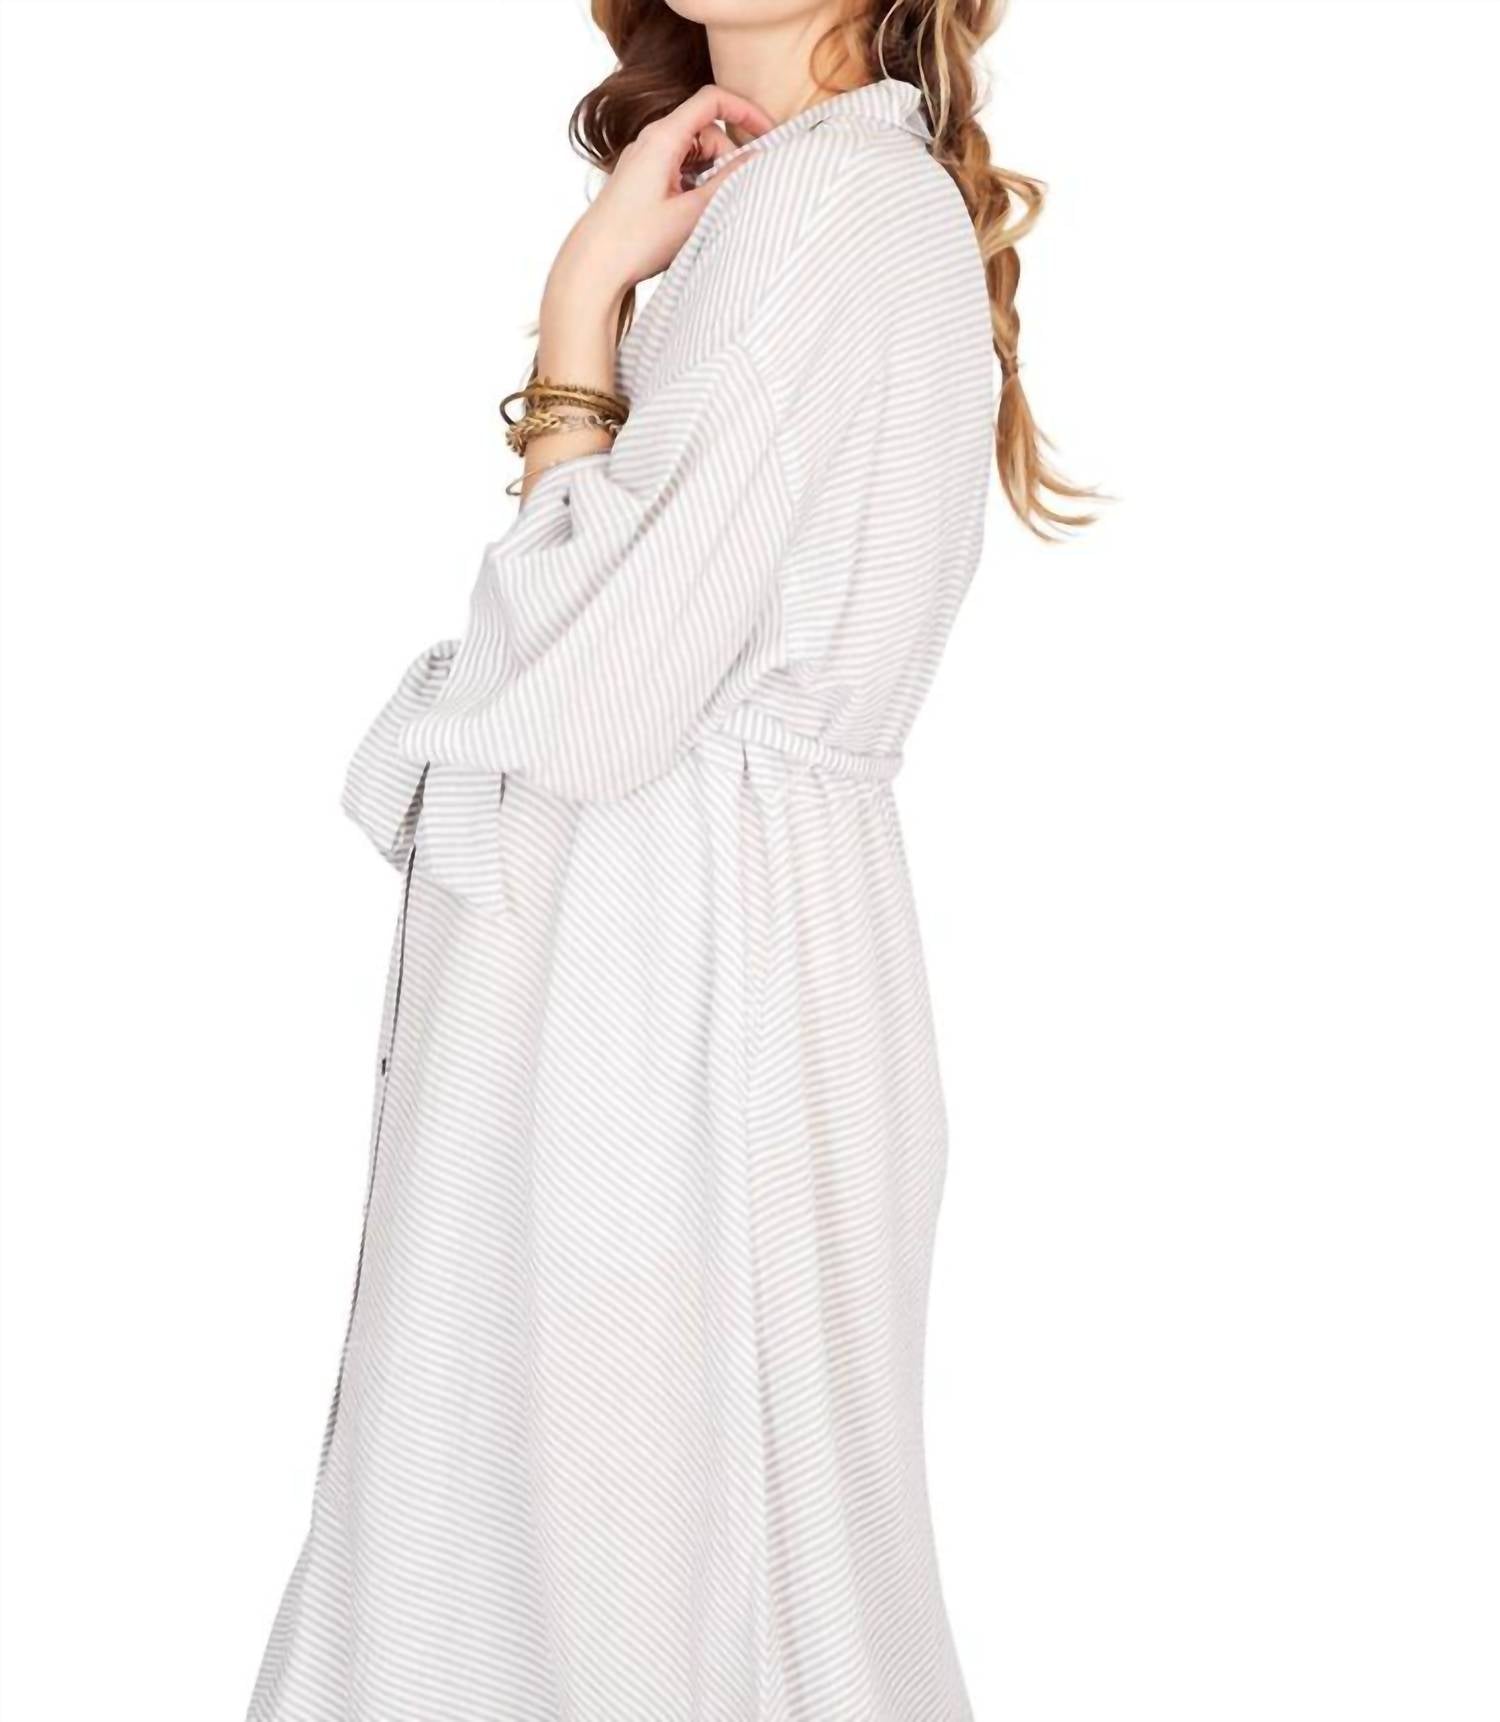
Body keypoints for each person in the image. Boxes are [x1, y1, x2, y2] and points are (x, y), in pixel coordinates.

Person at [245, 3, 1092, 1718]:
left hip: (675, 960)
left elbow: (593, 674)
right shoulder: (836, 193)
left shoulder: (824, 201)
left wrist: (580, 309)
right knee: (700, 1541)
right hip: (721, 931)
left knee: (606, 1542)